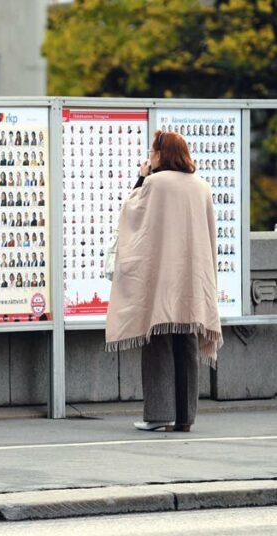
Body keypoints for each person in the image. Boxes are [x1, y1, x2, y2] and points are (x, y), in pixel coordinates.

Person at [106, 130, 222, 433]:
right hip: (193, 279)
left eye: (152, 152)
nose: (149, 157)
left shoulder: (155, 184)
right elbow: (210, 234)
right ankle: (185, 417)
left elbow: (131, 215)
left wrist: (142, 177)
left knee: (158, 342)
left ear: (162, 154)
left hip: (162, 278)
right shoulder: (202, 187)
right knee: (187, 343)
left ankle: (159, 416)